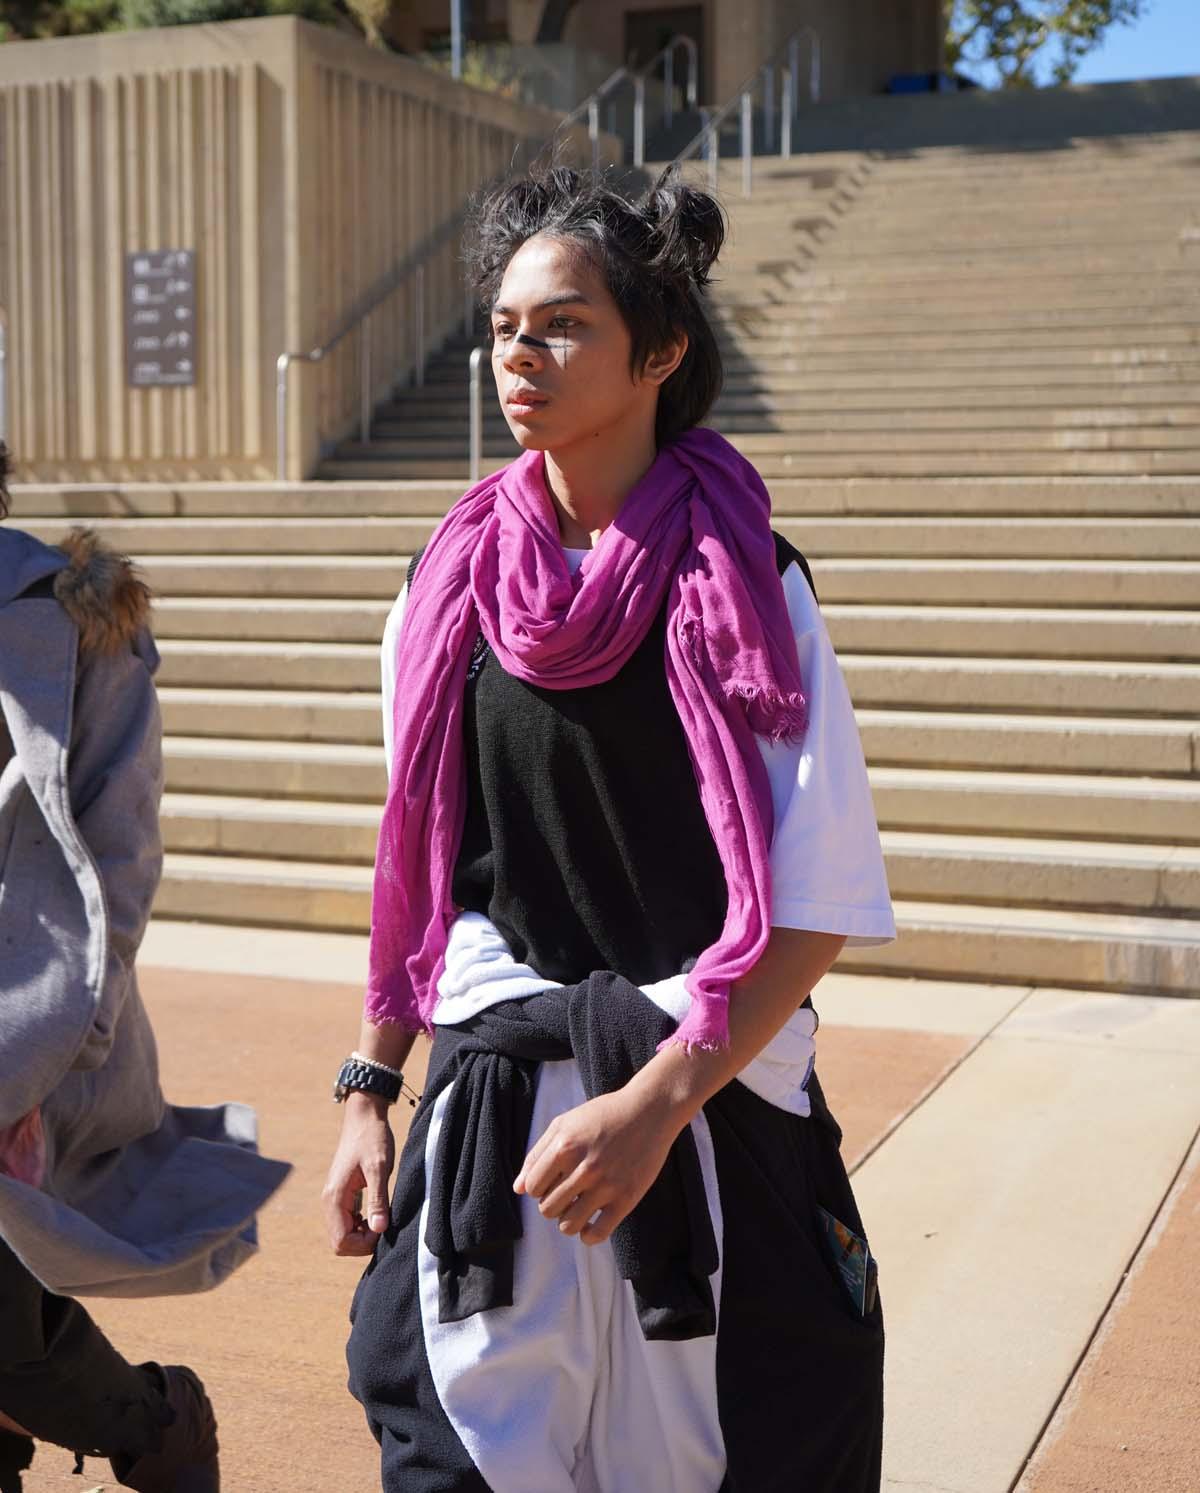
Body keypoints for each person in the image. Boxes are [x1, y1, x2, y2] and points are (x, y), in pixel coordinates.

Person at [322, 168, 895, 1492]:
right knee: (450, 1453)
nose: (520, 351)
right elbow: (419, 860)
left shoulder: (753, 583)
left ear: (664, 349)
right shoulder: (445, 578)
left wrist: (655, 1104)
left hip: (709, 1118)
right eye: (507, 322)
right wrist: (368, 1085)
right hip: (491, 1127)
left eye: (565, 322)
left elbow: (814, 905)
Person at [0, 443, 291, 1493]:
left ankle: (154, 1423)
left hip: (34, 1023)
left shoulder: (72, 616)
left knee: (9, 1328)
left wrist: (39, 1055)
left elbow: (115, 861)